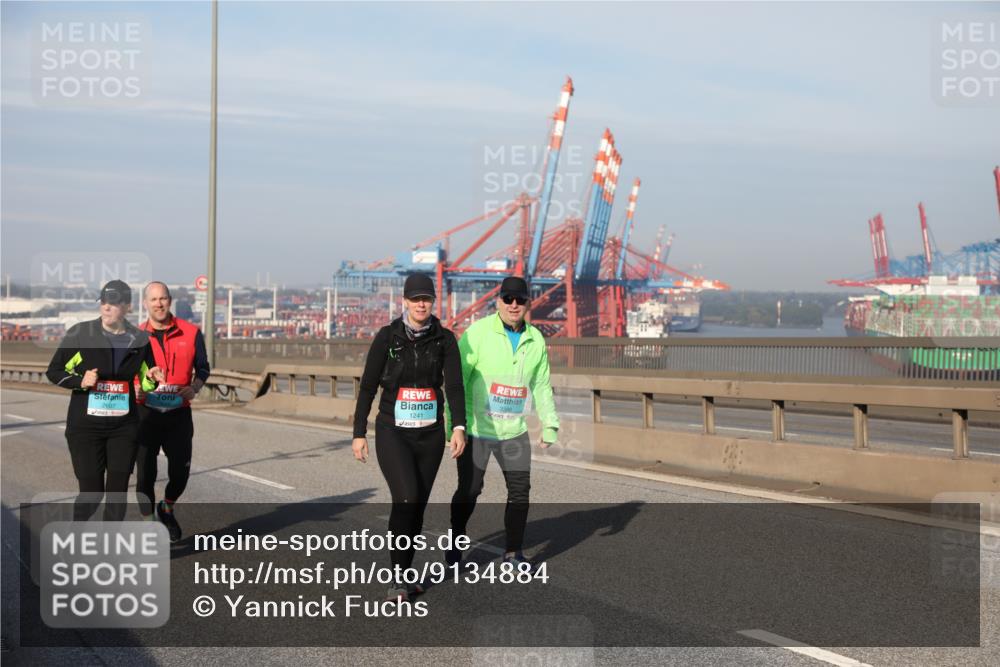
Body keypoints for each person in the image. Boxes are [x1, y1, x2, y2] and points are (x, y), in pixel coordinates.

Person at [352, 273, 467, 603]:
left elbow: (455, 386)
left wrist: (458, 426)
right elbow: (368, 387)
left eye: (426, 299)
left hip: (430, 435)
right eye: (415, 298)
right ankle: (397, 580)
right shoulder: (388, 337)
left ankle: (405, 571)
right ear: (404, 301)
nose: (421, 304)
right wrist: (359, 433)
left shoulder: (444, 340)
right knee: (407, 498)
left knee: (417, 506)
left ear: (433, 302)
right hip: (393, 432)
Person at [448, 276, 558, 569]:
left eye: (519, 300)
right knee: (469, 491)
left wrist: (550, 423)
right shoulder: (478, 333)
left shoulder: (535, 339)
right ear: (498, 301)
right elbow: (457, 381)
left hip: (514, 430)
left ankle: (513, 552)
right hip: (477, 429)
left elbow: (542, 385)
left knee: (521, 492)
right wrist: (454, 425)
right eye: (508, 299)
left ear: (527, 304)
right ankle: (455, 543)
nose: (513, 305)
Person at [46, 280, 164, 521]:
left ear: (127, 307)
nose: (107, 308)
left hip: (123, 427)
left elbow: (148, 378)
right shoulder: (81, 334)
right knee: (92, 494)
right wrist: (80, 380)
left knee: (117, 494)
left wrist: (152, 378)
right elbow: (55, 371)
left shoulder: (140, 339)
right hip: (85, 428)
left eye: (114, 303)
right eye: (104, 302)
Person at [134, 281, 210, 542]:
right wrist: (135, 390)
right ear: (145, 303)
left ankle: (166, 507)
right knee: (145, 473)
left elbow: (203, 368)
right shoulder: (133, 337)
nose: (159, 303)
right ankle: (150, 526)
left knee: (180, 472)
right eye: (153, 299)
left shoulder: (190, 332)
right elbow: (124, 373)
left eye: (163, 298)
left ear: (170, 301)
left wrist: (195, 387)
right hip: (145, 413)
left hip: (178, 414)